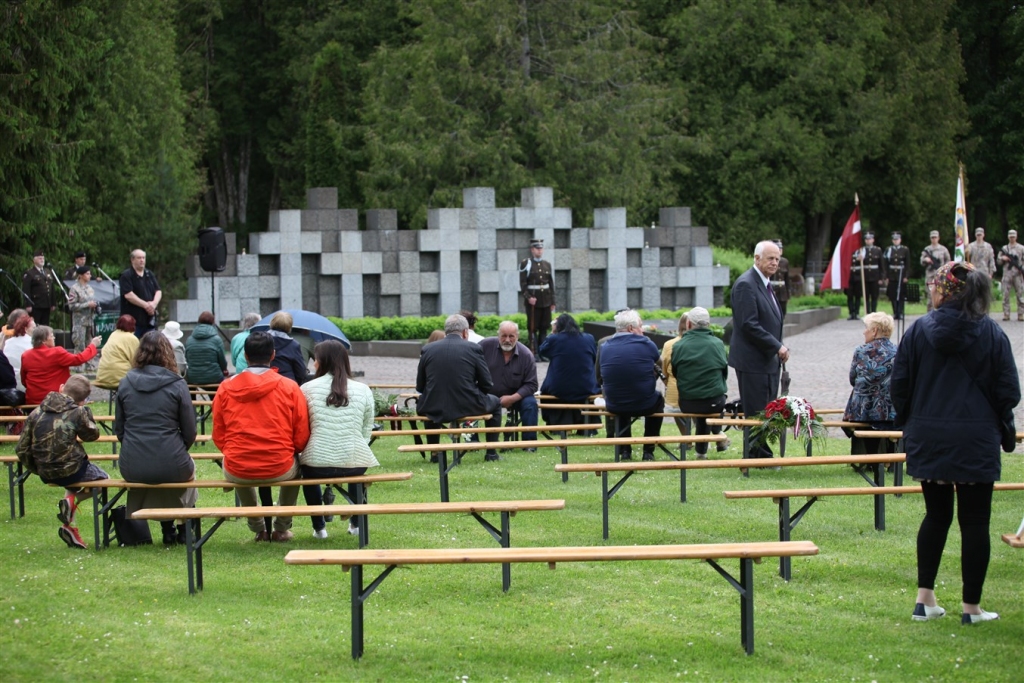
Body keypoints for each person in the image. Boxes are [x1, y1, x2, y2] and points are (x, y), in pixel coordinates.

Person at [891, 260, 1020, 625]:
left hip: (930, 434)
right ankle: (971, 608)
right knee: (975, 521)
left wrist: (913, 421)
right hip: (975, 437)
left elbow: (899, 387)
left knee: (936, 515)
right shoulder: (992, 333)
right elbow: (1009, 390)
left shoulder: (918, 332)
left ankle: (924, 599)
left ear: (943, 289)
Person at [213, 331, 310, 542]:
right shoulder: (289, 387)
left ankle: (258, 527)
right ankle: (281, 527)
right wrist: (290, 450)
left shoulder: (225, 388)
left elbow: (218, 432)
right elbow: (301, 431)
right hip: (280, 465)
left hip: (238, 465)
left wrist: (233, 450)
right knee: (296, 472)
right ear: (273, 355)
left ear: (245, 356)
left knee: (238, 467)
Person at [115, 332, 198, 545]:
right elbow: (190, 432)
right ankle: (181, 525)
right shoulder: (177, 384)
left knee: (168, 468)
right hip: (171, 458)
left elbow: (120, 429)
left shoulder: (125, 383)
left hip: (132, 463)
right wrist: (177, 447)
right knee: (187, 470)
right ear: (168, 353)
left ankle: (168, 527)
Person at [15, 375, 106, 549]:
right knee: (104, 480)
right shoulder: (77, 412)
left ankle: (70, 528)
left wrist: (36, 468)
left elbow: (21, 448)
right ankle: (74, 501)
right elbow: (91, 436)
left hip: (45, 472)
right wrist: (86, 413)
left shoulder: (36, 413)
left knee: (70, 485)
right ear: (82, 400)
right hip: (73, 469)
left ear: (61, 387)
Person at [299, 340, 378, 539]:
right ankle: (356, 524)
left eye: (315, 360)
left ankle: (319, 528)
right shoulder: (363, 390)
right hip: (354, 461)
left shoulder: (306, 389)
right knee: (355, 465)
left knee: (308, 476)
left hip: (315, 462)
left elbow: (302, 428)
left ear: (321, 362)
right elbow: (366, 430)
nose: (314, 364)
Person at [728, 240, 788, 460]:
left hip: (767, 360)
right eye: (770, 258)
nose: (774, 263)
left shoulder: (766, 284)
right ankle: (757, 456)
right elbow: (749, 324)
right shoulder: (747, 284)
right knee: (756, 411)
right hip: (752, 361)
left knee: (767, 409)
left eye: (777, 259)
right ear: (757, 258)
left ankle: (761, 453)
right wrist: (777, 346)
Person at [415, 313, 501, 461]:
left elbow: (420, 386)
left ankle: (434, 454)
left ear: (446, 331)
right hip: (468, 404)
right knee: (496, 403)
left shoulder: (428, 349)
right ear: (465, 332)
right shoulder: (473, 349)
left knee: (429, 407)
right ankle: (491, 453)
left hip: (433, 405)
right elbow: (487, 384)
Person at [599, 309, 663, 461]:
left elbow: (602, 375)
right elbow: (660, 363)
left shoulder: (605, 346)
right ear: (630, 328)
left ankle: (625, 450)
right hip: (645, 403)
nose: (642, 330)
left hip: (614, 404)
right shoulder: (647, 344)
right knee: (658, 399)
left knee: (622, 401)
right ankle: (648, 450)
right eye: (640, 326)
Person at [670, 307, 730, 459]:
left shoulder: (679, 346)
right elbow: (724, 373)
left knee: (703, 406)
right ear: (708, 324)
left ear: (688, 324)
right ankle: (713, 441)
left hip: (687, 402)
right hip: (715, 401)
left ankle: (702, 451)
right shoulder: (717, 344)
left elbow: (676, 373)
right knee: (711, 401)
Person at [479, 321, 539, 459]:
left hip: (516, 395)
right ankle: (473, 440)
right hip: (487, 395)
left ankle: (529, 444)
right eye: (503, 336)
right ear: (498, 335)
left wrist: (512, 398)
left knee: (530, 403)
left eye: (511, 336)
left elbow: (532, 384)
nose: (507, 340)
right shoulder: (484, 346)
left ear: (517, 336)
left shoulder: (526, 355)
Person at [842, 312, 897, 455]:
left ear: (875, 331)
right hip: (890, 410)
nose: (863, 331)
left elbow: (852, 379)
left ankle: (869, 458)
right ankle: (890, 459)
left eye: (866, 327)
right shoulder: (899, 351)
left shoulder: (861, 351)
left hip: (863, 410)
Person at [539, 313, 599, 427]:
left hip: (558, 388)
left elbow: (542, 351)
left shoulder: (554, 339)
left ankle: (555, 423)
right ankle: (585, 425)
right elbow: (594, 357)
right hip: (586, 386)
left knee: (548, 389)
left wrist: (552, 333)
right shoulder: (588, 338)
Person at [20, 325, 101, 406]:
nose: (54, 338)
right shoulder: (57, 352)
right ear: (44, 340)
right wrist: (92, 346)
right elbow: (79, 359)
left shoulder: (26, 355)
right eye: (51, 336)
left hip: (33, 401)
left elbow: (24, 380)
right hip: (56, 401)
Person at [519, 238, 555, 353]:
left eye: (541, 248)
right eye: (537, 248)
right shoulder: (526, 264)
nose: (539, 251)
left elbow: (550, 284)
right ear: (532, 250)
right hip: (533, 302)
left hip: (546, 300)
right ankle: (533, 353)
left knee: (544, 328)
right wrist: (528, 297)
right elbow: (523, 284)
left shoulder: (547, 264)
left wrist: (553, 301)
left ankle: (543, 352)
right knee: (533, 328)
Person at [119, 249, 161, 336]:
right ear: (132, 259)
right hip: (132, 322)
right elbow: (128, 295)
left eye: (143, 258)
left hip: (149, 320)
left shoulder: (149, 274)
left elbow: (158, 291)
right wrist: (146, 305)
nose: (142, 260)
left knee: (150, 347)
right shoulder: (126, 275)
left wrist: (153, 304)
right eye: (139, 258)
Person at [67, 265, 99, 371]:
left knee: (89, 343)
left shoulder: (90, 289)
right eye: (87, 274)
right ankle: (78, 364)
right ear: (81, 275)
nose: (90, 276)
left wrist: (95, 306)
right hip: (79, 321)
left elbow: (93, 301)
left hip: (89, 320)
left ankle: (90, 364)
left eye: (90, 273)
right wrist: (86, 304)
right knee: (79, 343)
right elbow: (71, 306)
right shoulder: (74, 289)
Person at [95, 315, 140, 389]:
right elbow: (136, 361)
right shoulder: (132, 338)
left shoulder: (113, 334)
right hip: (122, 378)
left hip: (102, 377)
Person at [185, 311, 228, 386]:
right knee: (215, 394)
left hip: (193, 377)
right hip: (214, 377)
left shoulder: (189, 339)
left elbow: (187, 359)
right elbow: (222, 362)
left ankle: (192, 398)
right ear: (213, 322)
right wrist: (224, 369)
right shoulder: (217, 339)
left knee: (190, 391)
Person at [267, 311, 309, 384]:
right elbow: (301, 372)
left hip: (265, 382)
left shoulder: (261, 340)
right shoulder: (294, 345)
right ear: (289, 326)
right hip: (287, 384)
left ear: (272, 322)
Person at [919, 230, 951, 313]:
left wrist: (945, 271)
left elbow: (948, 262)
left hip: (941, 275)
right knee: (930, 296)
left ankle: (941, 313)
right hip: (930, 275)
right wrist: (925, 260)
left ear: (938, 238)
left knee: (941, 295)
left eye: (935, 237)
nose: (934, 239)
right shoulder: (927, 249)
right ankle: (929, 314)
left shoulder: (943, 249)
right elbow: (921, 261)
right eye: (932, 237)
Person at [22, 250, 55, 326]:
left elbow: (51, 288)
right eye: (40, 258)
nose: (42, 260)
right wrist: (28, 304)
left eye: (43, 258)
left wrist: (53, 303)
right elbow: (26, 290)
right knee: (36, 325)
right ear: (34, 260)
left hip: (47, 304)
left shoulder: (47, 272)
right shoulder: (30, 273)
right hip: (36, 304)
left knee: (45, 325)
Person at [997, 229, 1024, 321]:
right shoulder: (1004, 249)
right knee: (1005, 295)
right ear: (1008, 237)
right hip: (1007, 274)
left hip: (1017, 275)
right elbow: (998, 261)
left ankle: (1020, 314)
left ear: (1016, 237)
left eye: (1013, 236)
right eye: (1010, 236)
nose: (1012, 238)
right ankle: (1006, 314)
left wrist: (1021, 268)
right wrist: (1002, 258)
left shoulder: (1021, 248)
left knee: (1020, 294)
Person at [883, 232, 911, 320]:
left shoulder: (905, 249)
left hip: (901, 275)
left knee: (901, 294)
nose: (896, 241)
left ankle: (900, 312)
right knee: (893, 295)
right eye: (894, 240)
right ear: (892, 240)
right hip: (892, 275)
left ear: (900, 240)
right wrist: (886, 276)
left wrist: (906, 276)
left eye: (897, 239)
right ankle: (895, 312)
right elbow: (885, 264)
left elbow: (908, 264)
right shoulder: (889, 249)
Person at [3, 315, 35, 392]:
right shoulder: (31, 343)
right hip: (26, 384)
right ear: (26, 329)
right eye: (33, 328)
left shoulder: (8, 342)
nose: (35, 330)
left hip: (10, 384)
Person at [856, 232, 883, 314]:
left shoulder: (877, 250)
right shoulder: (862, 250)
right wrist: (859, 259)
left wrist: (881, 277)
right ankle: (867, 312)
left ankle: (874, 311)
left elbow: (881, 264)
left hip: (875, 276)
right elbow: (858, 264)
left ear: (873, 240)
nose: (868, 241)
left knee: (874, 295)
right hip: (865, 276)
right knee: (866, 296)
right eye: (867, 239)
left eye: (870, 239)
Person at [770, 240, 791, 317]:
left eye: (781, 249)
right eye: (778, 249)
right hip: (773, 289)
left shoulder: (785, 262)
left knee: (783, 312)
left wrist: (788, 294)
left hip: (782, 291)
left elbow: (787, 279)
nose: (780, 251)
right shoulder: (770, 261)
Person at [844, 250, 863, 321]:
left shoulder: (861, 251)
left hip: (858, 277)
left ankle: (857, 313)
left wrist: (862, 259)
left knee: (858, 296)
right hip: (849, 276)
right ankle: (851, 313)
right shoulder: (848, 250)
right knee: (850, 295)